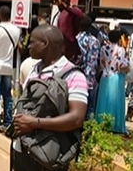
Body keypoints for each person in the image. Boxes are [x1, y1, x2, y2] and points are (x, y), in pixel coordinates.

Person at [12, 25, 88, 171]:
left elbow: (77, 118)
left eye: (32, 42)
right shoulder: (34, 69)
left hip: (48, 156)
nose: (28, 46)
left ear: (44, 43)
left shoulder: (73, 75)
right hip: (22, 150)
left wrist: (35, 123)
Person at [94, 30, 128, 133]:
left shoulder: (103, 49)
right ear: (119, 38)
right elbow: (120, 64)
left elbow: (101, 63)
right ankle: (115, 124)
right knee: (115, 101)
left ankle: (102, 122)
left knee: (104, 100)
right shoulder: (121, 50)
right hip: (116, 76)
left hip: (105, 76)